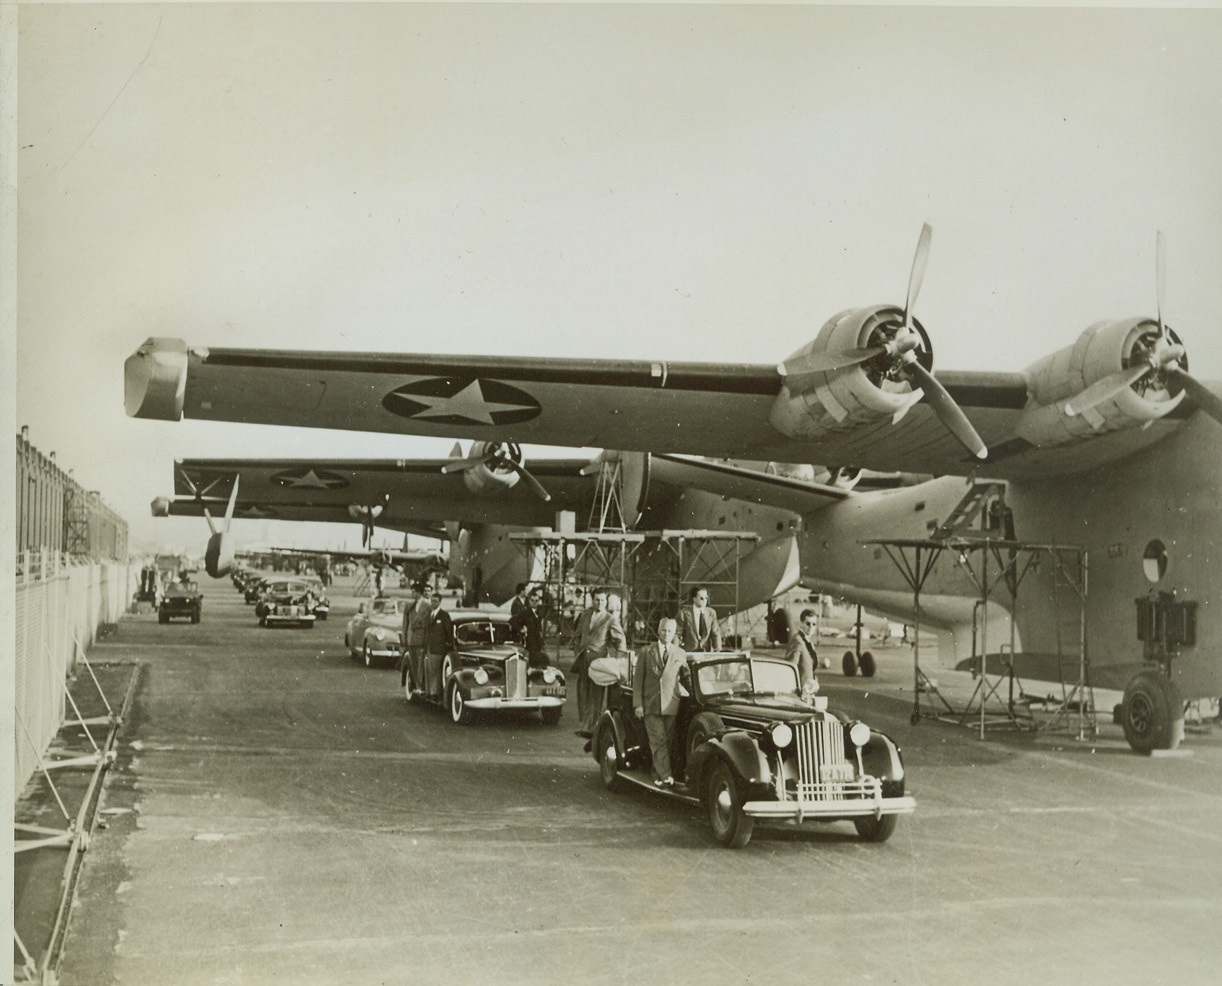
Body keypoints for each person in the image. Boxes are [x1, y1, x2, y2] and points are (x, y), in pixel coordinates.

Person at [632, 618, 691, 787]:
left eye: (670, 631)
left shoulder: (680, 653)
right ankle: (666, 776)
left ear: (674, 634)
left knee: (667, 741)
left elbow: (686, 677)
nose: (666, 634)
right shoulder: (646, 652)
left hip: (670, 704)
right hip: (650, 704)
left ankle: (656, 773)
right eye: (664, 630)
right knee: (658, 740)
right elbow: (638, 680)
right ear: (658, 631)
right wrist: (638, 704)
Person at [570, 588, 626, 738]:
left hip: (599, 661)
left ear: (606, 602)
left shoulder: (610, 619)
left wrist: (619, 661)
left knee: (596, 694)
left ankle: (591, 728)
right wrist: (577, 649)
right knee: (582, 691)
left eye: (602, 600)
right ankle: (584, 725)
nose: (600, 603)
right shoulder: (585, 615)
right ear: (592, 600)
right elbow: (577, 635)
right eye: (597, 600)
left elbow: (621, 640)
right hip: (584, 659)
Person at [422, 590, 454, 700]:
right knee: (428, 670)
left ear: (440, 602)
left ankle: (435, 693)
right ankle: (429, 692)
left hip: (438, 648)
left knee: (436, 671)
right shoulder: (429, 615)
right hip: (428, 648)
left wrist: (447, 645)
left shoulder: (444, 615)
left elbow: (448, 633)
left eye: (435, 601)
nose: (433, 603)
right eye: (432, 601)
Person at [401, 580, 431, 691]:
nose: (412, 594)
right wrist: (404, 637)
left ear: (419, 592)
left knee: (420, 664)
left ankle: (421, 686)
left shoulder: (427, 606)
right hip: (411, 639)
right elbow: (405, 623)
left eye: (413, 592)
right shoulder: (409, 605)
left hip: (421, 639)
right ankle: (417, 685)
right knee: (413, 664)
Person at [784, 608, 821, 697]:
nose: (811, 627)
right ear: (801, 623)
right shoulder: (797, 641)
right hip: (799, 692)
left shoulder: (808, 641)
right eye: (808, 623)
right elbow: (790, 668)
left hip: (809, 691)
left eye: (814, 624)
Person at [510, 586, 550, 667]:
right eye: (532, 600)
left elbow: (539, 628)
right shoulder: (525, 613)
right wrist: (521, 629)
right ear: (529, 601)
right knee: (531, 664)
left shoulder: (539, 613)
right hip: (529, 643)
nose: (534, 602)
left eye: (536, 600)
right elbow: (512, 621)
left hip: (538, 642)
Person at [676, 586, 721, 652]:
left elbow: (716, 634)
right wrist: (674, 651)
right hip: (689, 653)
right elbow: (677, 635)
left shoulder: (711, 613)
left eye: (706, 598)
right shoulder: (683, 613)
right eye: (701, 598)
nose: (704, 601)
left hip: (706, 652)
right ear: (694, 599)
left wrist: (718, 651)